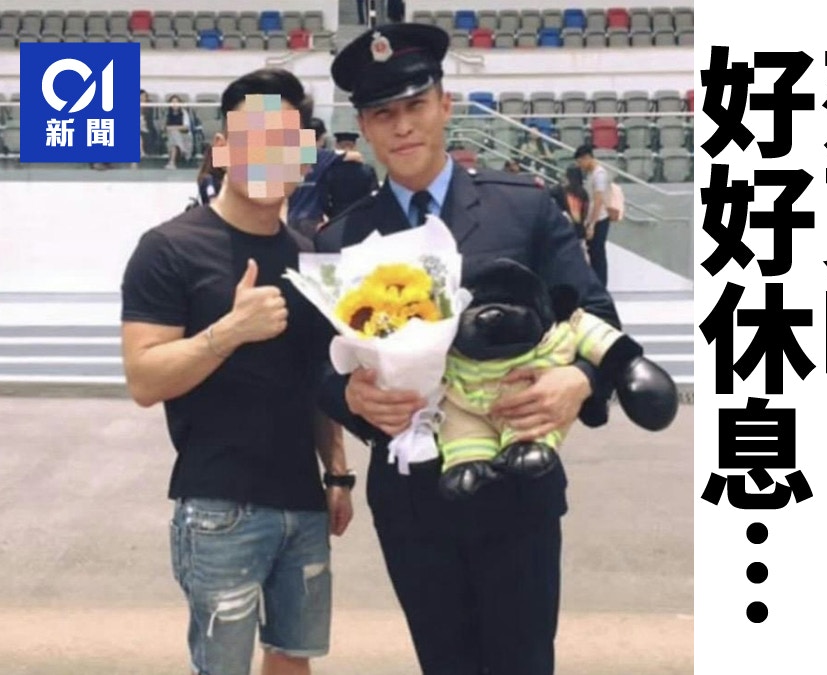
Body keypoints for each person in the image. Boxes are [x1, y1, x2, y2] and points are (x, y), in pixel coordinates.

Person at [315, 23, 619, 675]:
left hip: (517, 482)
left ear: (445, 105)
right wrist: (349, 396)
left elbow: (597, 316)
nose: (403, 126)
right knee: (444, 663)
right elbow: (317, 367)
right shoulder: (344, 239)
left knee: (523, 663)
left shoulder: (523, 211)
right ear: (364, 127)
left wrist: (580, 382)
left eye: (416, 105)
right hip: (413, 501)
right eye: (383, 114)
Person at [119, 68, 352, 675]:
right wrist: (229, 331)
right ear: (223, 147)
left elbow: (318, 377)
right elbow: (144, 379)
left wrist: (338, 472)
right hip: (218, 504)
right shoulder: (169, 248)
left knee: (294, 659)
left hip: (302, 500)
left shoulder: (311, 256)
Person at [287, 118, 377, 240]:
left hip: (292, 217)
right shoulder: (324, 156)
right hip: (311, 217)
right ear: (321, 138)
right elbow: (356, 156)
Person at [575, 144, 612, 287]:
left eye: (580, 162)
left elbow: (598, 201)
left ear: (587, 158)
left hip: (599, 219)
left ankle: (601, 285)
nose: (580, 166)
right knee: (593, 253)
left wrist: (592, 224)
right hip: (592, 218)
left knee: (598, 254)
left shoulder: (599, 174)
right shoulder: (591, 174)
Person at [549, 164, 590, 243]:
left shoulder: (560, 189)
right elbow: (585, 211)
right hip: (579, 231)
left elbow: (547, 193)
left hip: (563, 229)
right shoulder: (583, 192)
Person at [164, 95, 193, 169]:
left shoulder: (184, 113)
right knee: (174, 136)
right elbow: (164, 127)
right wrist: (172, 129)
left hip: (184, 136)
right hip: (170, 136)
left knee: (174, 134)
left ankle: (172, 162)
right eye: (172, 102)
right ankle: (181, 150)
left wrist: (173, 128)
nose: (174, 104)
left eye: (176, 102)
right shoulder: (167, 114)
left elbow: (186, 127)